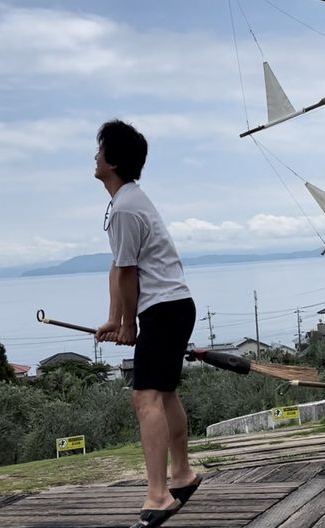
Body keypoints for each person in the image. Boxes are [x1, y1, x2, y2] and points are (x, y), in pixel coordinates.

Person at [94, 119, 201, 528]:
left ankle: (159, 495)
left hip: (162, 308)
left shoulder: (124, 206)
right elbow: (118, 268)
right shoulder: (126, 201)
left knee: (145, 399)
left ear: (114, 160)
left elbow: (128, 274)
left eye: (100, 149)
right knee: (165, 393)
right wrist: (114, 319)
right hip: (173, 305)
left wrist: (129, 325)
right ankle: (182, 475)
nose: (95, 156)